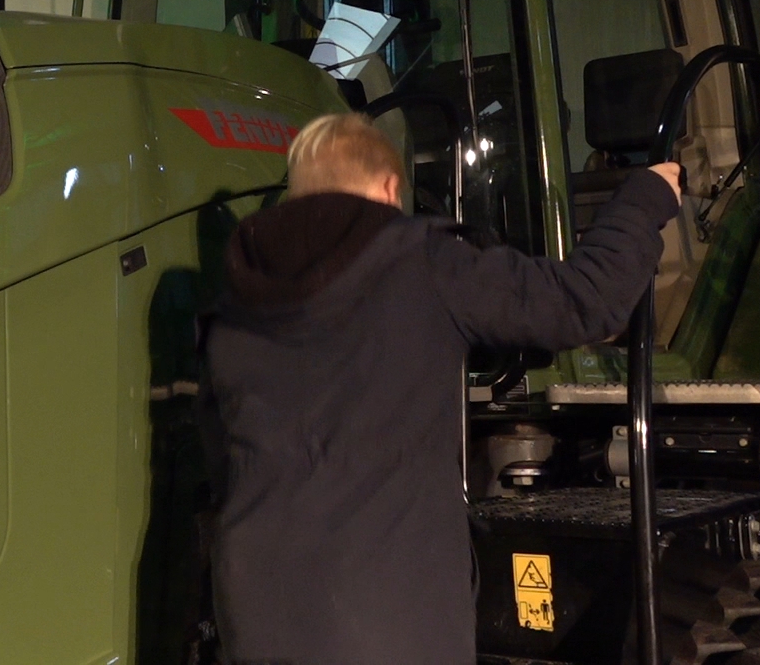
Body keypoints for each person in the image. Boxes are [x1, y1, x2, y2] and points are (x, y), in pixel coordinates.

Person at [202, 111, 682, 664]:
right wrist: (644, 198)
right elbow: (585, 302)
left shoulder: (232, 306)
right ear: (389, 188)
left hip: (255, 613)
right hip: (388, 621)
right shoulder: (423, 263)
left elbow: (221, 462)